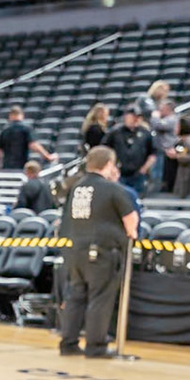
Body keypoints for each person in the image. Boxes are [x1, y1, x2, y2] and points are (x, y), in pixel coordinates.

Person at [58, 146, 137, 359]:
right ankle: (96, 346)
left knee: (75, 297)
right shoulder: (112, 189)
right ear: (109, 164)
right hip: (101, 251)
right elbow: (131, 221)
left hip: (75, 249)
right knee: (99, 298)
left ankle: (68, 343)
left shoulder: (76, 187)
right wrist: (131, 233)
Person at [110, 108, 155, 200]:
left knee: (137, 199)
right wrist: (112, 167)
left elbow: (152, 153)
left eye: (137, 117)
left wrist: (144, 168)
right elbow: (105, 149)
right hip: (120, 173)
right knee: (120, 198)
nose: (135, 119)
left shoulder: (145, 133)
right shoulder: (116, 132)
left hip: (138, 174)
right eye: (132, 117)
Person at [0, 104, 51, 172]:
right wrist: (47, 156)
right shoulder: (26, 128)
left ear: (10, 116)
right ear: (22, 115)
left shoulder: (4, 130)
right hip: (21, 168)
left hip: (6, 168)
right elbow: (33, 145)